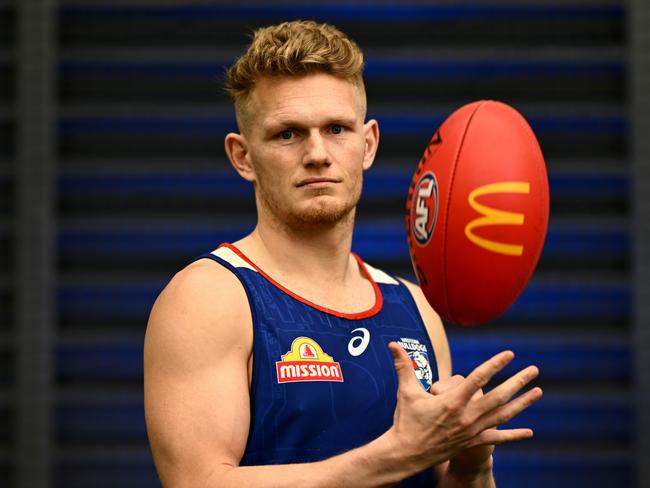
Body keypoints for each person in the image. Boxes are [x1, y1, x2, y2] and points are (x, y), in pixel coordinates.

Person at [144, 20, 543, 487]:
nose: (317, 153)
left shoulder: (415, 308)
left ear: (367, 144)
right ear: (243, 156)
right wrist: (394, 455)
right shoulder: (210, 298)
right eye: (287, 134)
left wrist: (472, 465)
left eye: (336, 128)